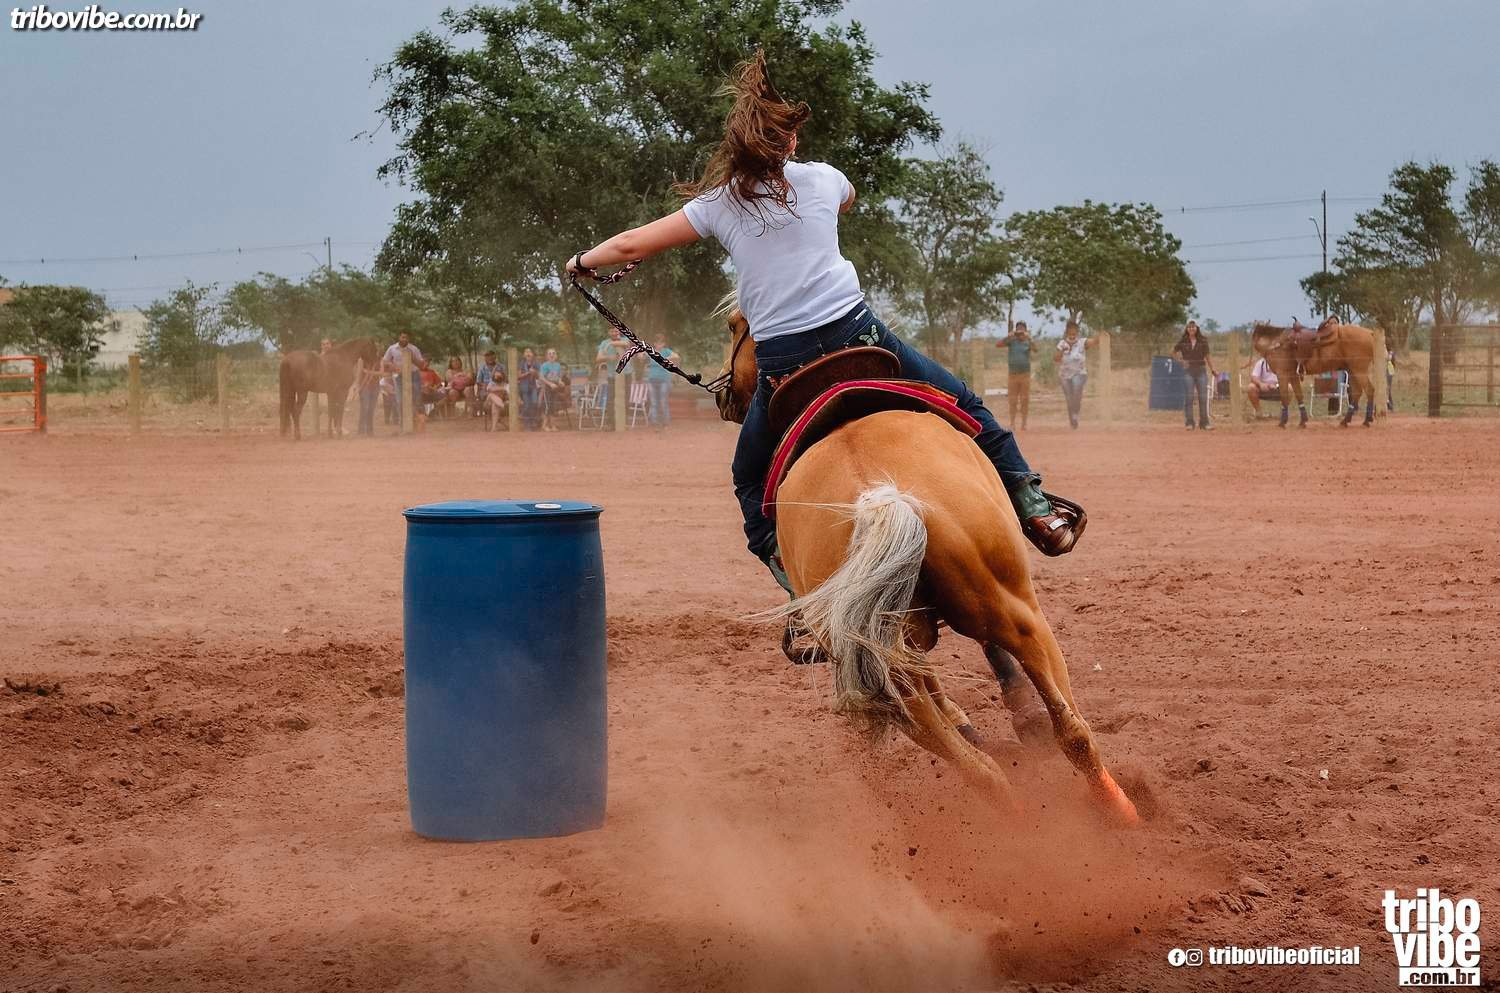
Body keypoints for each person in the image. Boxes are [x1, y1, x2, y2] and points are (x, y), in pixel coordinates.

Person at [563, 50, 1081, 592]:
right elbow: (847, 201)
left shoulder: (717, 205)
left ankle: (794, 582)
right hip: (859, 336)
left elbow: (629, 244)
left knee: (748, 477)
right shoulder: (824, 179)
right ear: (790, 142)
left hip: (783, 363)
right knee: (967, 404)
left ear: (737, 150)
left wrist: (580, 263)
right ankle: (1035, 508)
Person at [1173, 320, 1216, 430]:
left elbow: (1208, 356)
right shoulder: (1183, 341)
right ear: (1187, 329)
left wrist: (1213, 369)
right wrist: (1181, 361)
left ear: (1197, 328)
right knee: (1189, 397)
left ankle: (1204, 423)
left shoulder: (1203, 341)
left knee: (1203, 397)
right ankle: (1189, 423)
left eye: (1193, 327)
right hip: (1188, 371)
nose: (1191, 329)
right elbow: (1173, 352)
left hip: (1201, 370)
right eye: (1189, 327)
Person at [1055, 322, 1096, 429]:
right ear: (1067, 333)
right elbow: (1056, 359)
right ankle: (1072, 419)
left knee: (1077, 390)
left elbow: (1093, 342)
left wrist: (1100, 337)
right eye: (1070, 334)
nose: (1072, 336)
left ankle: (1075, 414)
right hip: (1065, 375)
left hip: (1079, 373)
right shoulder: (1062, 344)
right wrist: (1062, 351)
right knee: (1069, 398)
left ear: (1077, 333)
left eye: (1074, 334)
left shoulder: (1082, 342)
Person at [381, 331, 424, 427]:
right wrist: (392, 366)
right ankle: (403, 423)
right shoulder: (392, 348)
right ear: (399, 337)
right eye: (403, 337)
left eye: (406, 338)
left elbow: (421, 365)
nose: (404, 339)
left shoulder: (414, 349)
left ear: (409, 339)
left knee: (416, 399)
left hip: (413, 375)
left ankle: (416, 423)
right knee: (400, 400)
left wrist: (413, 358)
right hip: (399, 376)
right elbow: (384, 361)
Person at [997, 321, 1035, 429]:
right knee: (1012, 400)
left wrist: (1029, 338)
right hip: (1012, 375)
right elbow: (998, 345)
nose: (1020, 332)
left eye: (1022, 330)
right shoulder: (1012, 341)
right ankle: (1012, 422)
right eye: (1018, 329)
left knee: (1024, 400)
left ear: (1025, 330)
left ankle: (1024, 423)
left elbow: (1036, 349)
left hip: (1025, 375)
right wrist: (1008, 336)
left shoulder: (1028, 341)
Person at [644, 334, 678, 431]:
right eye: (657, 343)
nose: (659, 345)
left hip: (664, 380)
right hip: (652, 380)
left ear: (663, 344)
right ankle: (655, 422)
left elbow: (676, 356)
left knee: (663, 401)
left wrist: (667, 358)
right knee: (653, 402)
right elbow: (641, 356)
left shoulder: (666, 351)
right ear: (654, 344)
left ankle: (665, 422)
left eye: (661, 343)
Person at [539, 347, 568, 431]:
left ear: (556, 355)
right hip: (547, 388)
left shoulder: (558, 365)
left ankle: (553, 425)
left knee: (553, 406)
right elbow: (541, 377)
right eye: (550, 353)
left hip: (555, 388)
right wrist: (550, 384)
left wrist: (560, 382)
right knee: (547, 406)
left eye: (553, 353)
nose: (552, 355)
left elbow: (557, 377)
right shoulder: (544, 365)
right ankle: (544, 425)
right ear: (547, 356)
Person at [1244, 353, 1280, 418]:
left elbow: (1287, 379)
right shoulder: (1261, 363)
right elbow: (1254, 377)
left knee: (1289, 388)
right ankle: (1259, 412)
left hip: (1278, 389)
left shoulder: (1282, 363)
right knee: (1251, 387)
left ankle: (1284, 411)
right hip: (1263, 389)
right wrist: (1261, 384)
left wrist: (1277, 385)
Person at [517, 347, 542, 431]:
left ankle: (532, 420)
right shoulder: (521, 363)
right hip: (524, 387)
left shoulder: (536, 363)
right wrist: (528, 373)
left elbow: (539, 376)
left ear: (532, 354)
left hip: (533, 386)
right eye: (526, 352)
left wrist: (534, 372)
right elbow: (518, 376)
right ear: (524, 355)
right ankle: (527, 424)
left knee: (534, 403)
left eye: (530, 352)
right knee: (527, 405)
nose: (528, 353)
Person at [485, 364, 509, 431]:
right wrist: (503, 388)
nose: (497, 377)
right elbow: (490, 389)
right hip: (489, 403)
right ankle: (502, 405)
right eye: (495, 375)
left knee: (495, 405)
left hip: (497, 403)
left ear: (502, 375)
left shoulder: (506, 384)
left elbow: (508, 394)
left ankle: (494, 428)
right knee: (491, 395)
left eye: (499, 375)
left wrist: (502, 389)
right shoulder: (491, 383)